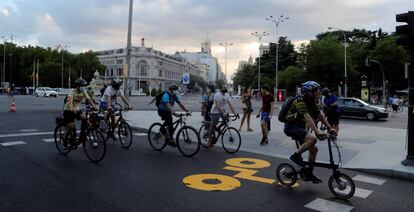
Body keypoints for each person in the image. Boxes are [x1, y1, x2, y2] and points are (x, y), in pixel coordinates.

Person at [283, 81, 337, 183]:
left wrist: (329, 128)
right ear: (307, 92)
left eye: (317, 90)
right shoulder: (300, 101)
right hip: (291, 127)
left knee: (314, 150)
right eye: (315, 90)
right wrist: (317, 131)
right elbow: (307, 117)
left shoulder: (311, 101)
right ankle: (295, 156)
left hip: (300, 128)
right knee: (312, 139)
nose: (317, 92)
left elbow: (319, 115)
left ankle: (309, 174)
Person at [63, 79, 96, 148]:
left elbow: (88, 99)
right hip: (68, 110)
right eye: (81, 86)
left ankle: (82, 135)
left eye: (84, 86)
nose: (83, 87)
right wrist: (72, 108)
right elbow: (69, 100)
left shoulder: (83, 91)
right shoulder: (72, 91)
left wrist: (94, 106)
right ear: (77, 86)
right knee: (71, 126)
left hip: (77, 110)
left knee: (85, 118)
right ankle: (65, 142)